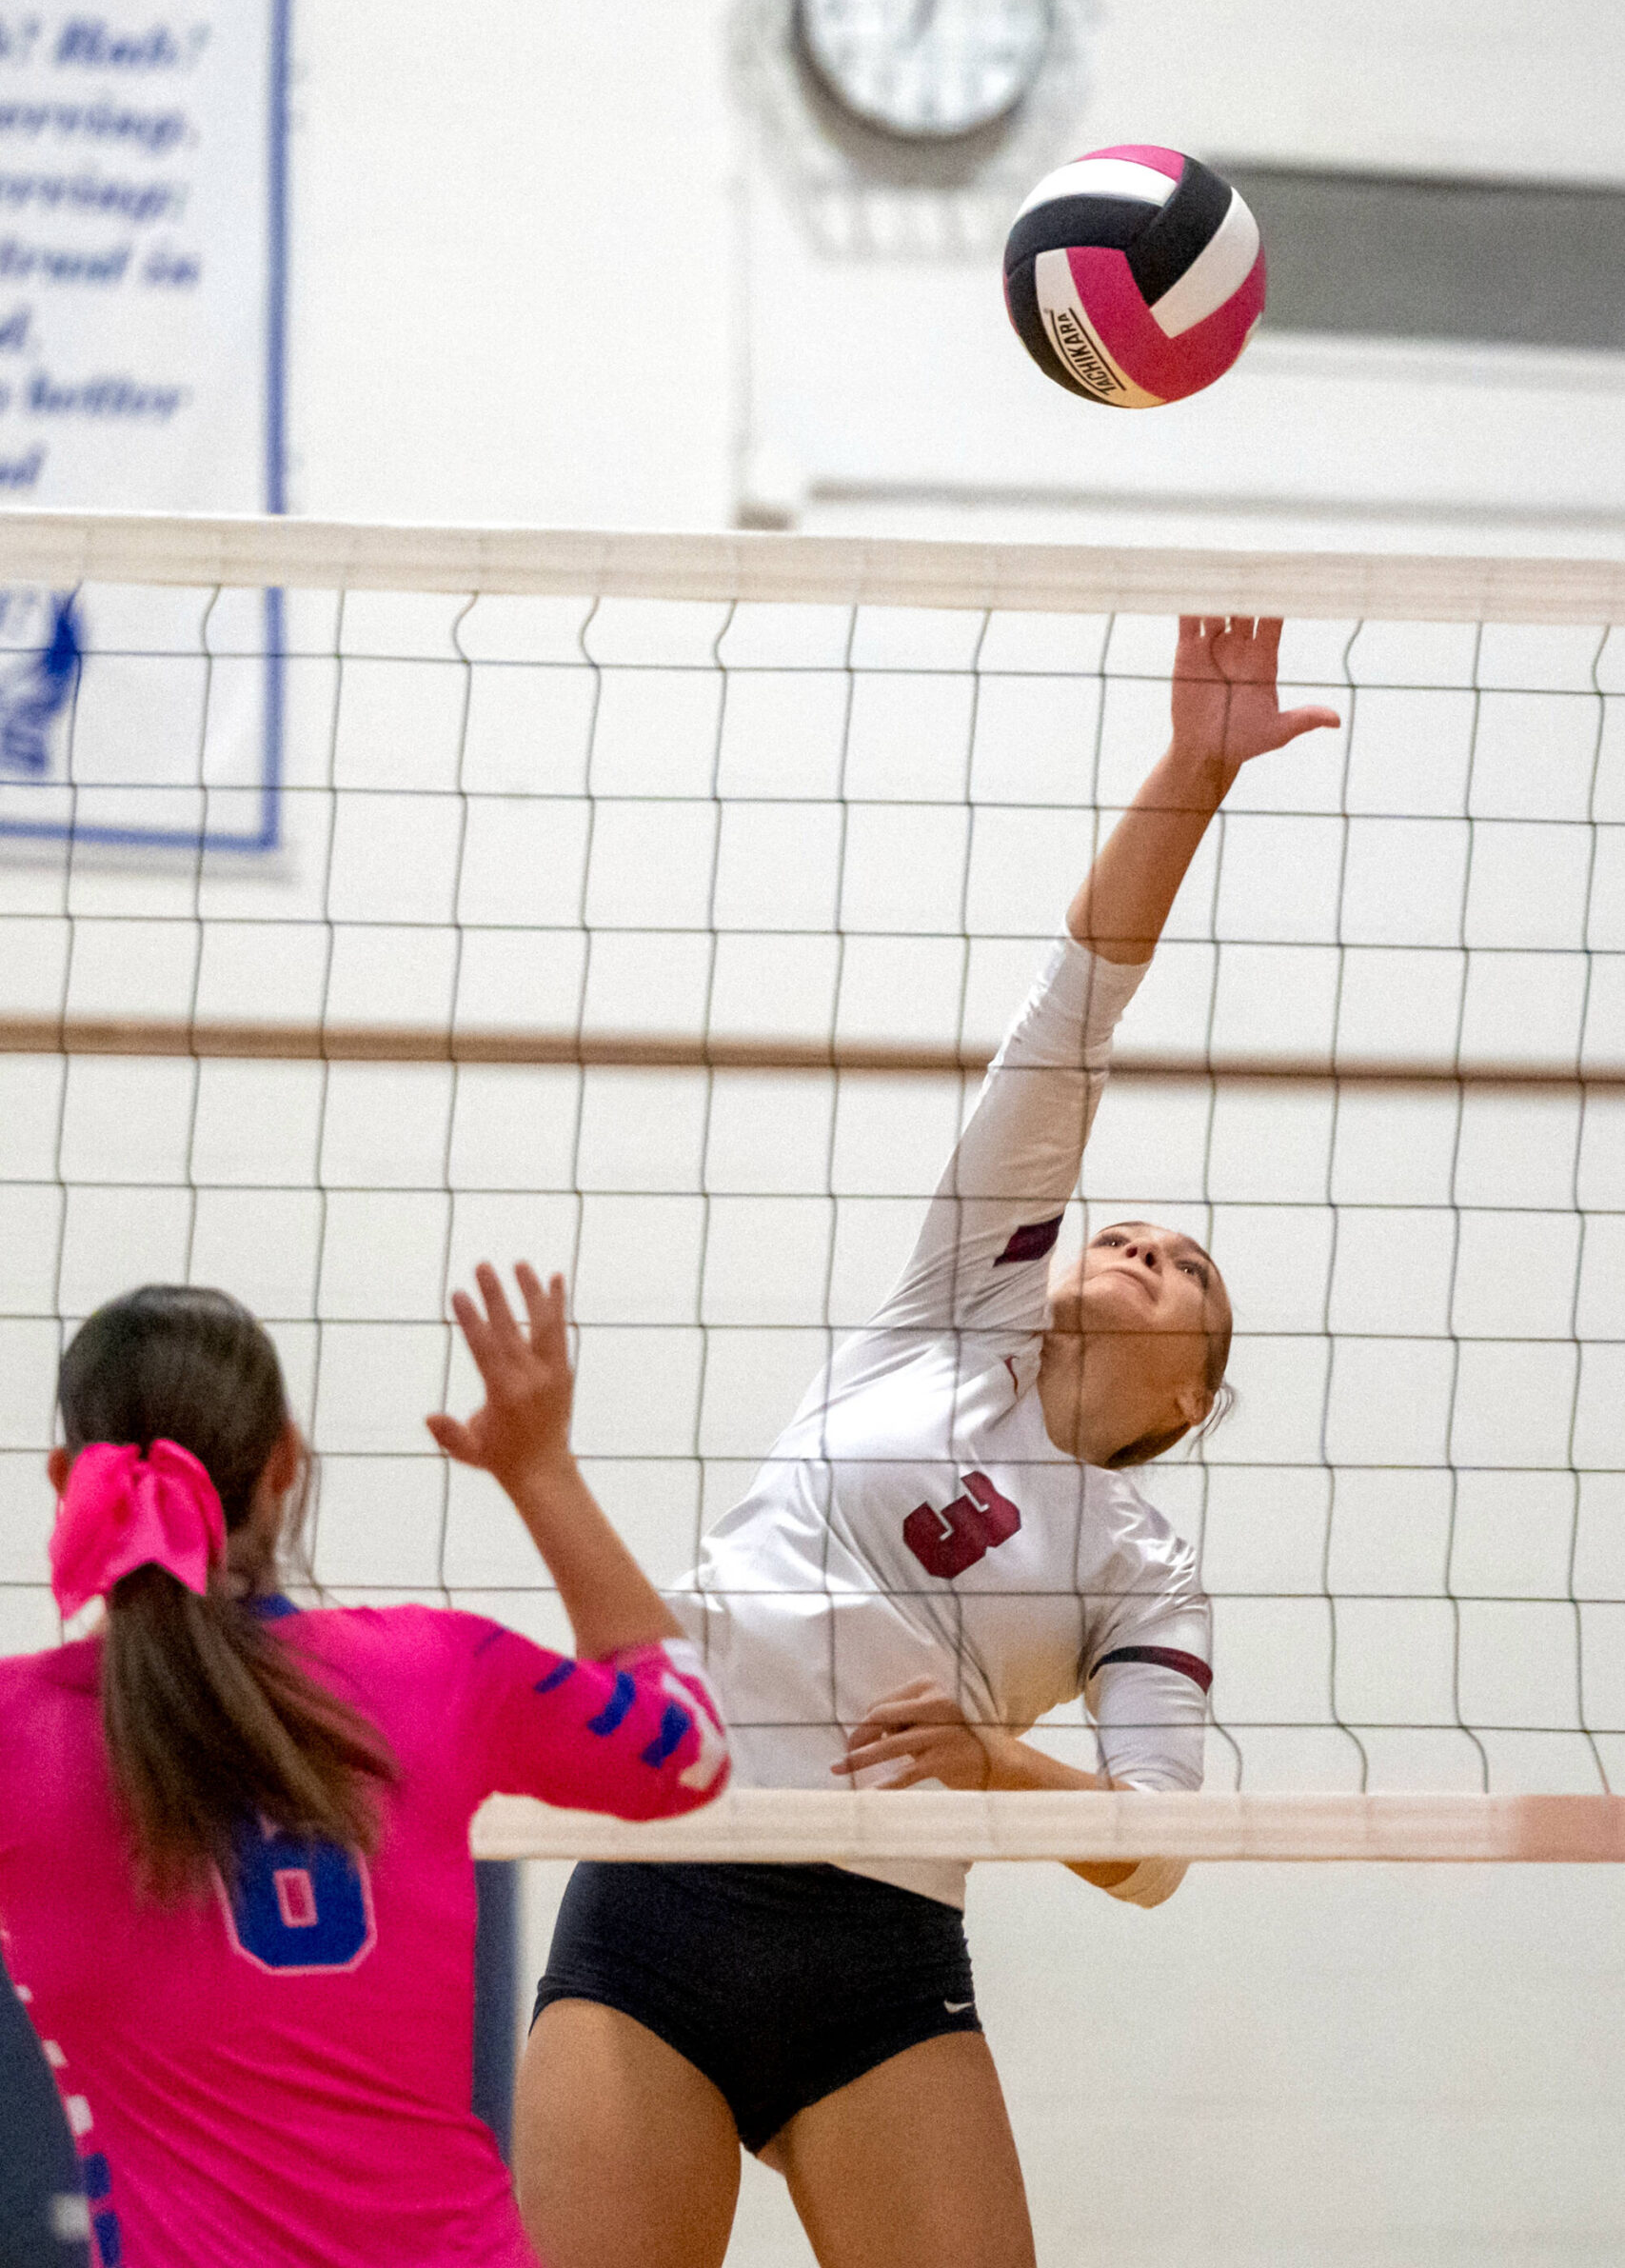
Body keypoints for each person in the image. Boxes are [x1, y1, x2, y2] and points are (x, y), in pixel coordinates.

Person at [516, 615, 1339, 2268]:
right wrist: (1191, 774)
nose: (1140, 1248)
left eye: (1183, 1269)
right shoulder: (955, 1310)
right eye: (1129, 1232)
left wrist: (998, 1768)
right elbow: (1071, 1021)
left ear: (1188, 1398)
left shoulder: (1140, 1574)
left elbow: (1152, 1853)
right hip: (669, 1874)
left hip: (880, 1950)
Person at [0, 1261, 728, 2268]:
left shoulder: (15, 1728)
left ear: (65, 1481)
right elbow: (689, 1752)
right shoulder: (437, 1668)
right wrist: (540, 1469)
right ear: (285, 1464)